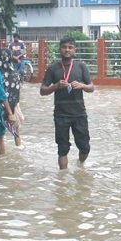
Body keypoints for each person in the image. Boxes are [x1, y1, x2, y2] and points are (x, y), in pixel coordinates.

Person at [40, 37, 95, 170]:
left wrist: (81, 85)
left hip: (79, 113)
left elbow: (91, 87)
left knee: (85, 147)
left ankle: (80, 165)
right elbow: (42, 91)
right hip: (61, 114)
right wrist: (56, 86)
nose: (67, 50)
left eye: (70, 47)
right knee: (62, 148)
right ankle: (62, 181)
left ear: (74, 50)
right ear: (60, 49)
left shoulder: (81, 66)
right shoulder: (53, 68)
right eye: (64, 47)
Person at [0, 48, 22, 147]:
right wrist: (14, 107)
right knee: (16, 132)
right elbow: (17, 92)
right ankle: (19, 149)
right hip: (13, 106)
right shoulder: (15, 73)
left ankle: (1, 156)